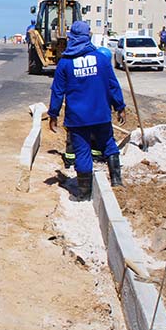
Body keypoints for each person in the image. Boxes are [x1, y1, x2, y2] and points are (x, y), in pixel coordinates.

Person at [48, 21, 126, 200]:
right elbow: (113, 85)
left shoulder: (65, 63)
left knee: (82, 152)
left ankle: (84, 193)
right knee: (109, 144)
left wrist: (53, 114)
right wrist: (120, 106)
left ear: (72, 38)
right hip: (101, 114)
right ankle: (116, 180)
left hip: (77, 118)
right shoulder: (101, 59)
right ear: (87, 36)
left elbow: (57, 91)